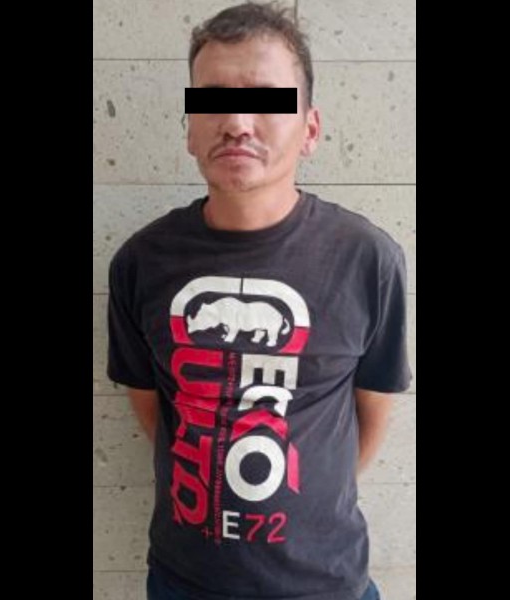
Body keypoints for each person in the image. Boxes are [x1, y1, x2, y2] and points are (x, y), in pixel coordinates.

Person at [106, 3, 411, 599]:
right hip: (184, 582)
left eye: (267, 101)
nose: (237, 123)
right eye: (212, 102)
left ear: (311, 129)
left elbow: (371, 411)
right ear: (190, 129)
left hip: (326, 584)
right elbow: (154, 411)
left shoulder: (367, 259)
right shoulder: (141, 263)